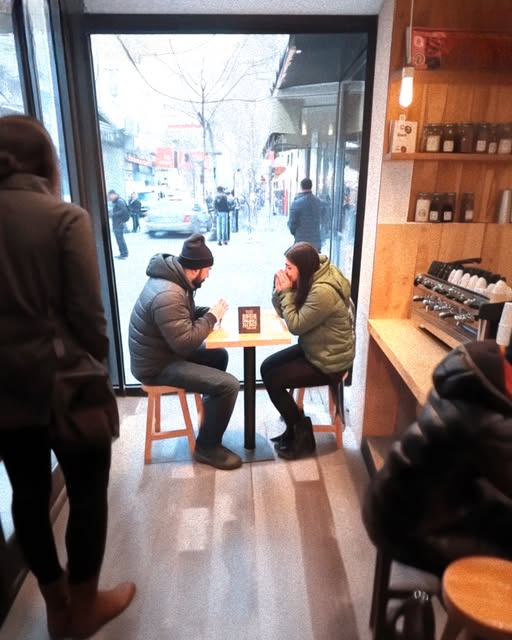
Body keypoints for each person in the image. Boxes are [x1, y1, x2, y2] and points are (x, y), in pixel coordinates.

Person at [0, 115, 135, 639]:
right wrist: (98, 366)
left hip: (6, 388)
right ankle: (83, 606)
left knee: (27, 493)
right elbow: (88, 314)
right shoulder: (64, 218)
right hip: (66, 379)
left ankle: (55, 604)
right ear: (45, 162)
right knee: (86, 491)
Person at [362, 338, 512, 579]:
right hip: (406, 525)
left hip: (396, 497)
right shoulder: (487, 421)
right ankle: (464, 612)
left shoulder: (478, 370)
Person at [128, 233, 241, 470]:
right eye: (207, 269)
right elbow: (185, 343)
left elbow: (182, 316)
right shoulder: (168, 293)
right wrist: (211, 317)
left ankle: (212, 413)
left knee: (219, 355)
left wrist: (207, 312)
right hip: (156, 366)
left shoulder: (176, 280)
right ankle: (207, 448)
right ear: (195, 269)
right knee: (229, 385)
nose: (208, 275)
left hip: (164, 352)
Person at [260, 242, 355, 460]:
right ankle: (293, 428)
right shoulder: (310, 276)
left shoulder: (322, 292)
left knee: (273, 379)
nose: (285, 271)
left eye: (289, 267)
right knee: (266, 367)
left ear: (302, 268)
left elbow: (295, 325)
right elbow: (283, 311)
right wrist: (279, 290)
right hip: (316, 348)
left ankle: (303, 433)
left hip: (330, 362)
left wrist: (285, 293)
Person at [288, 178, 323, 251]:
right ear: (311, 186)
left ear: (301, 187)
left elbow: (292, 225)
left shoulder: (296, 203)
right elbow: (324, 220)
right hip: (316, 244)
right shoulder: (319, 203)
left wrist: (296, 233)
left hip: (301, 243)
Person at [108, 189, 129, 259]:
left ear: (113, 194)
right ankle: (123, 253)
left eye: (110, 196)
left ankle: (124, 254)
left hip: (119, 223)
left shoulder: (119, 201)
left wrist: (113, 214)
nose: (109, 198)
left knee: (120, 239)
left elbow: (123, 210)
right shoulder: (118, 201)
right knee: (119, 239)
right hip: (118, 223)